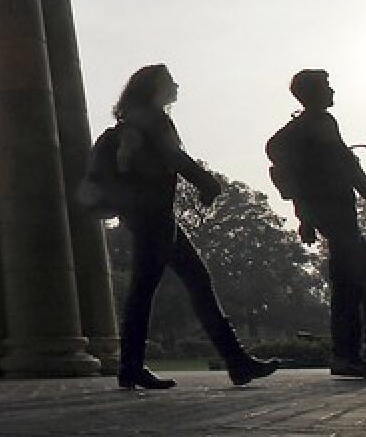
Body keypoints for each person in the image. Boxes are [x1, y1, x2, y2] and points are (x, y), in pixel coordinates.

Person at [111, 64, 279, 390]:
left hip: (147, 215)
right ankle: (133, 366)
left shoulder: (132, 120)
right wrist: (206, 182)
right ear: (154, 87)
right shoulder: (154, 119)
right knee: (152, 291)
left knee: (188, 283)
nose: (176, 85)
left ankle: (236, 361)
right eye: (169, 81)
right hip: (155, 216)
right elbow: (173, 157)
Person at [275, 69, 366, 379]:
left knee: (347, 284)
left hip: (339, 214)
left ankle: (351, 354)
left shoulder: (325, 125)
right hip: (332, 215)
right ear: (311, 93)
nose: (333, 90)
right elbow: (301, 179)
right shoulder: (308, 130)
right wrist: (305, 218)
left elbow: (352, 172)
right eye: (327, 86)